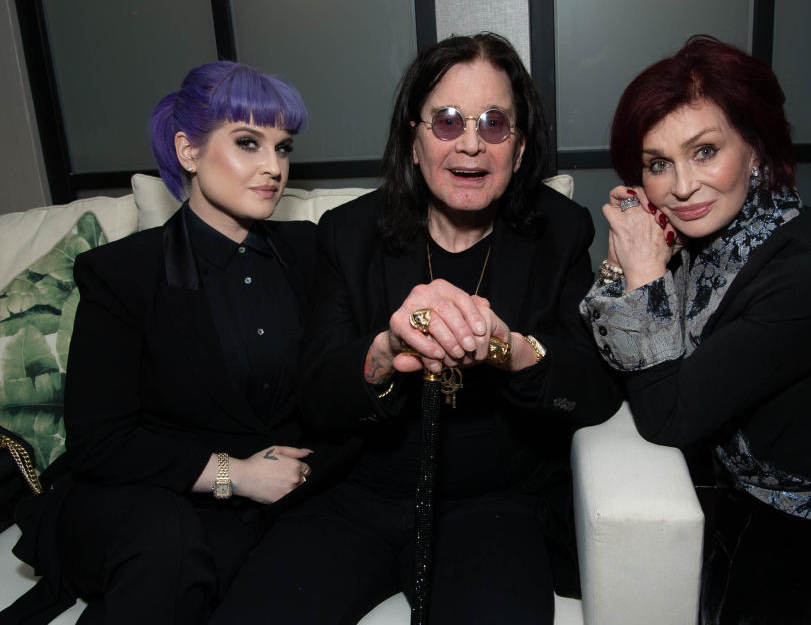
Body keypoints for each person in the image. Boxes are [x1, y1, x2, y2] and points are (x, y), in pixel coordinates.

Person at [212, 33, 620, 624]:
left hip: (493, 506)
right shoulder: (349, 233)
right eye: (448, 121)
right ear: (414, 137)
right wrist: (386, 350)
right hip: (353, 496)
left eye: (496, 123)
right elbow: (320, 392)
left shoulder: (560, 231)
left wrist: (508, 349)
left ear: (522, 146)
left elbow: (594, 387)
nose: (472, 145)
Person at [580, 35, 811, 623]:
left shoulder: (804, 275)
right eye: (658, 164)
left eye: (705, 152)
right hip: (768, 496)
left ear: (755, 149)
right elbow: (614, 359)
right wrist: (631, 264)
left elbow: (668, 418)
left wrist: (646, 272)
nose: (681, 187)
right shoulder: (703, 245)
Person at [4, 61, 354, 624]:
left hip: (262, 508)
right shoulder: (122, 274)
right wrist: (233, 473)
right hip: (143, 494)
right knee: (170, 552)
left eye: (283, 148)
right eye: (248, 143)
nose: (273, 168)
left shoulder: (310, 252)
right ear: (188, 152)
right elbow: (100, 443)